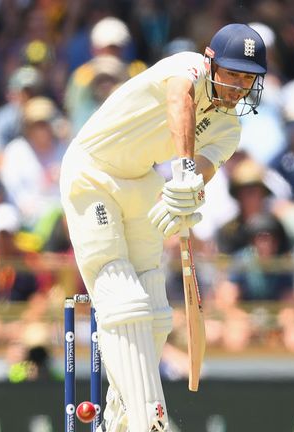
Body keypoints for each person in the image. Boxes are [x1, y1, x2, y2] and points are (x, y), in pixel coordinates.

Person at [60, 23, 267, 431]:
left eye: (248, 79)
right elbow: (180, 100)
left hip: (141, 182)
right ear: (210, 61)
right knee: (123, 298)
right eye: (233, 74)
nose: (239, 87)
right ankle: (147, 419)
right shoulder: (185, 67)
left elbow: (202, 172)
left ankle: (121, 416)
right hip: (91, 173)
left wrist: (187, 193)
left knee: (155, 308)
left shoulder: (230, 127)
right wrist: (185, 166)